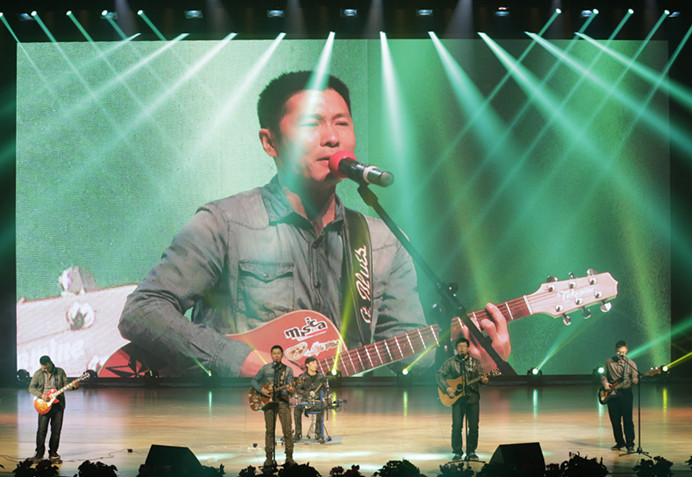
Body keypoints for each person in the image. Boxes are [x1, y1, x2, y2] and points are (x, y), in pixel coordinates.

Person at [117, 70, 511, 377]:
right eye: (312, 124)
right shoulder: (224, 223)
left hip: (345, 431)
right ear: (270, 142)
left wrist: (476, 365)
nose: (331, 138)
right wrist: (241, 360)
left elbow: (411, 362)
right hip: (234, 424)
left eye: (342, 123)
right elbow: (142, 311)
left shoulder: (382, 241)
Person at [436, 338, 488, 461]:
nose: (462, 349)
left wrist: (484, 381)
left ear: (468, 348)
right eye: (459, 346)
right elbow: (439, 375)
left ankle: (471, 451)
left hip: (472, 398)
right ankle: (457, 452)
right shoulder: (451, 362)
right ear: (456, 348)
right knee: (457, 427)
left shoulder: (475, 362)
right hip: (457, 400)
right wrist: (447, 388)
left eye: (464, 346)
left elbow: (480, 378)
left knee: (473, 427)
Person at [251, 345, 297, 467]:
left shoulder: (288, 370)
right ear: (271, 355)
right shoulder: (265, 368)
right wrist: (261, 390)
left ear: (282, 355)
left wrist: (290, 390)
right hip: (268, 403)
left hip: (283, 402)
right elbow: (254, 381)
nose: (276, 355)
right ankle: (269, 458)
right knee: (269, 431)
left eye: (278, 353)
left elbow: (291, 389)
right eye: (274, 353)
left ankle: (289, 457)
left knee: (287, 431)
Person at [28, 356, 79, 464]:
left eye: (47, 367)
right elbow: (31, 387)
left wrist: (74, 386)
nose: (45, 370)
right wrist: (42, 395)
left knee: (56, 431)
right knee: (41, 430)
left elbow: (66, 385)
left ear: (51, 363)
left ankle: (53, 454)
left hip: (58, 405)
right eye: (43, 368)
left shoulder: (60, 372)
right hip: (44, 405)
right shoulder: (38, 373)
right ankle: (39, 454)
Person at [601, 340, 639, 452]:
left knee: (628, 420)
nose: (621, 354)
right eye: (619, 352)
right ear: (615, 351)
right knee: (615, 420)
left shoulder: (631, 364)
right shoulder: (609, 362)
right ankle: (619, 442)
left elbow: (635, 378)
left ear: (626, 351)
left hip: (626, 394)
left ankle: (630, 444)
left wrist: (635, 381)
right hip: (612, 394)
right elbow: (603, 375)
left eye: (623, 352)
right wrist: (605, 383)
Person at [293, 357, 328, 441]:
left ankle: (318, 434)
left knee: (321, 408)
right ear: (307, 365)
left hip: (317, 401)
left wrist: (323, 397)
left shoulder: (321, 377)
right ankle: (298, 433)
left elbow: (326, 389)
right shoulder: (302, 377)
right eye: (312, 363)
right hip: (306, 401)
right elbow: (298, 389)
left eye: (316, 363)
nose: (315, 365)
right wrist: (307, 393)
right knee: (297, 409)